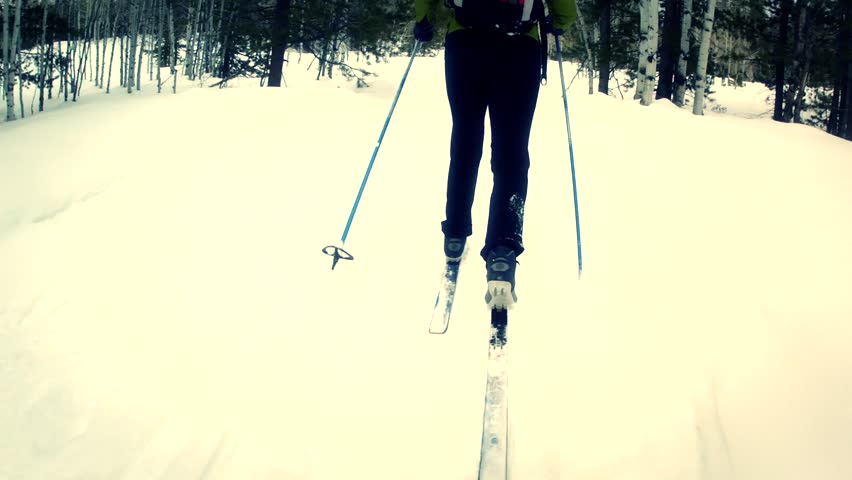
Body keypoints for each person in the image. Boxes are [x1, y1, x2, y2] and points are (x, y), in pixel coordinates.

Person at [413, 0, 577, 309]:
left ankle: (456, 231)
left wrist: (424, 20)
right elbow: (565, 10)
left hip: (466, 43)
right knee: (511, 150)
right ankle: (503, 247)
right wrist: (560, 22)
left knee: (465, 136)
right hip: (520, 48)